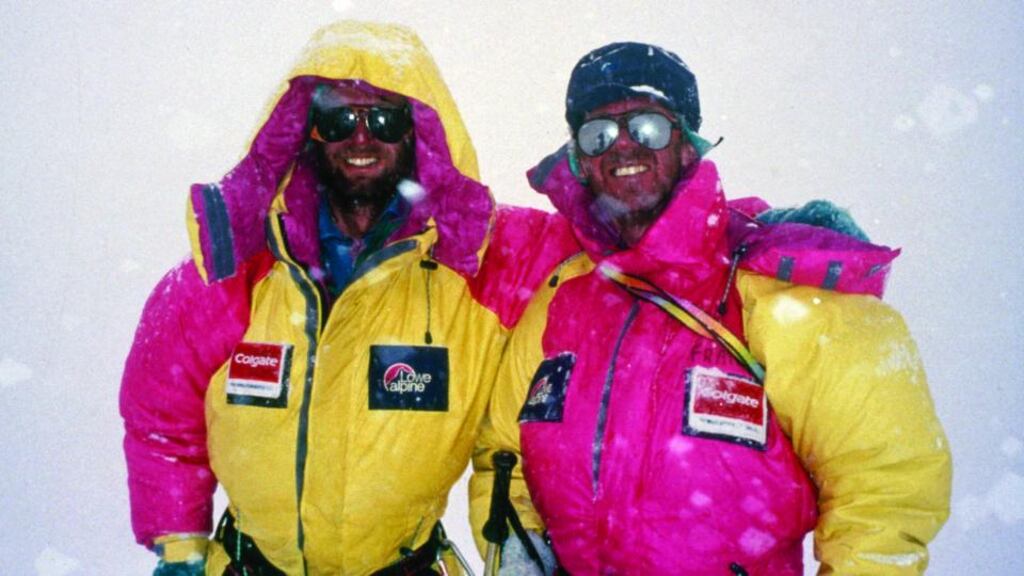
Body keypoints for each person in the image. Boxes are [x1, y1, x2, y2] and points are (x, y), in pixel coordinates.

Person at [472, 42, 952, 575]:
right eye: (598, 133)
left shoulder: (780, 295)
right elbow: (502, 457)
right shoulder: (563, 296)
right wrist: (519, 554)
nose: (623, 146)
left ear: (686, 145)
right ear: (580, 161)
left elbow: (884, 492)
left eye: (649, 126)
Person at [120, 21, 567, 575]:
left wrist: (602, 172)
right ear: (307, 130)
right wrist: (179, 544)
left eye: (384, 117)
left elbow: (608, 247)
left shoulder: (481, 265)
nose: (361, 137)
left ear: (419, 132)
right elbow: (163, 418)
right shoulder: (230, 272)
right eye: (338, 118)